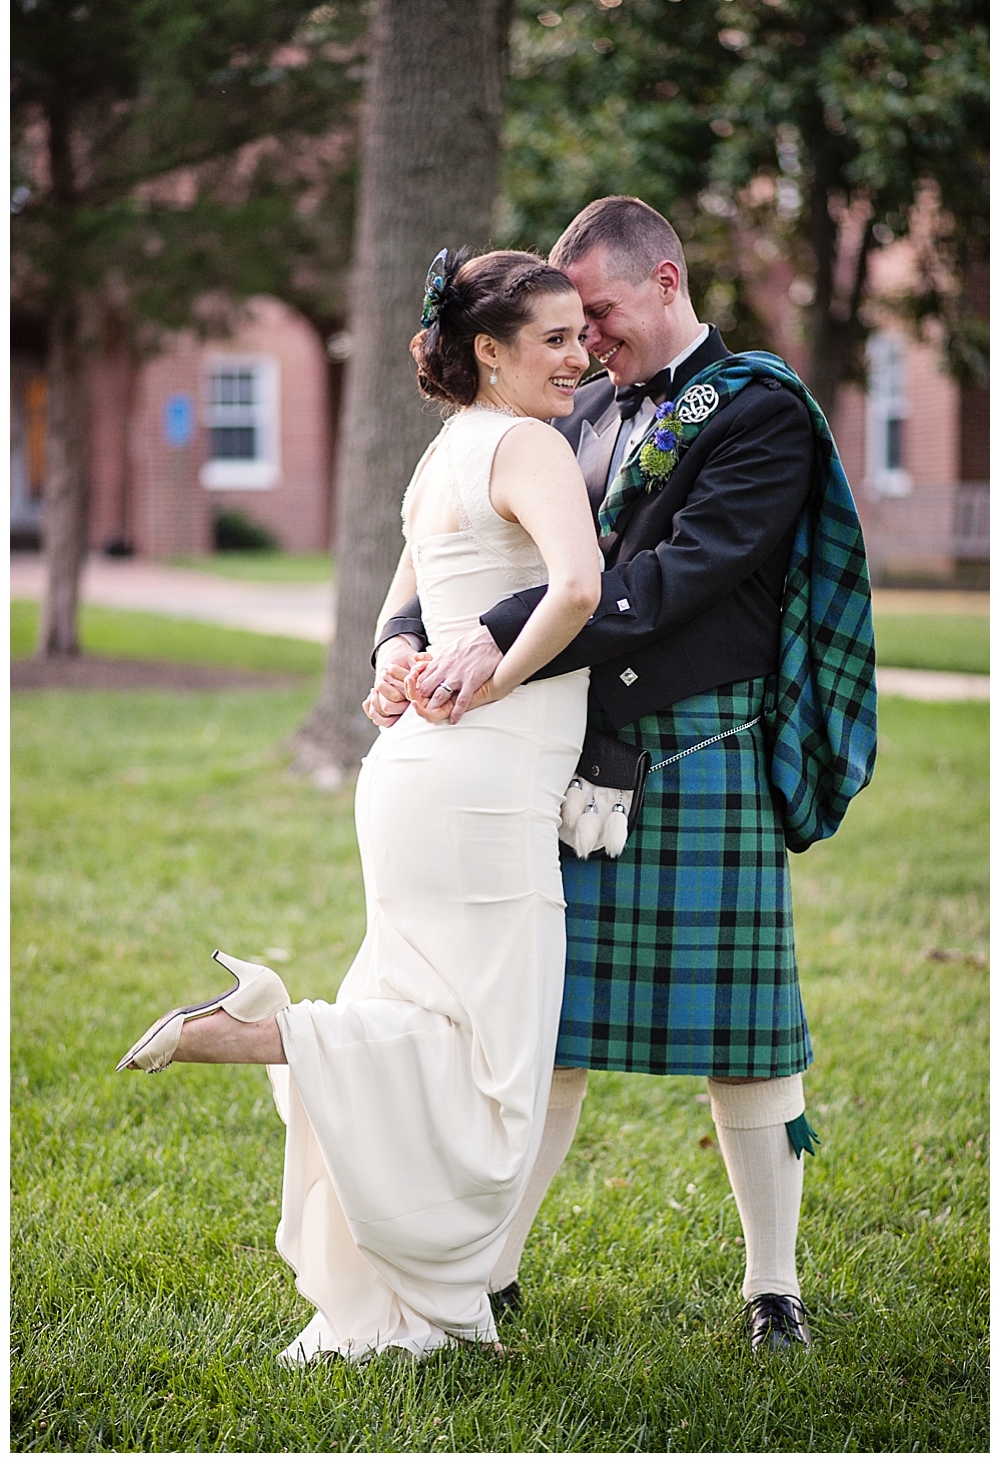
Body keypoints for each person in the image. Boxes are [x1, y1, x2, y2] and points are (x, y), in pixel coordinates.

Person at [370, 196, 876, 1353]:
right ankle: (490, 1274)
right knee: (548, 1024)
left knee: (745, 1037)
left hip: (701, 751)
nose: (585, 340)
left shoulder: (755, 409)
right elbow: (458, 545)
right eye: (567, 323)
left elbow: (679, 576)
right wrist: (398, 637)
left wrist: (497, 633)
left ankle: (774, 1290)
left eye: (597, 313)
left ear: (664, 281)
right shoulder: (576, 410)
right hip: (577, 750)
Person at [117, 248, 602, 1362]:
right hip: (483, 783)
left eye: (582, 334)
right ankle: (267, 1035)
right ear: (490, 351)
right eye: (557, 338)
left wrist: (396, 662)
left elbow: (402, 610)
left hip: (413, 779)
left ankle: (412, 1298)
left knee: (432, 1021)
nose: (581, 357)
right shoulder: (529, 445)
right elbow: (579, 586)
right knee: (495, 1072)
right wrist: (496, 677)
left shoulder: (444, 453)